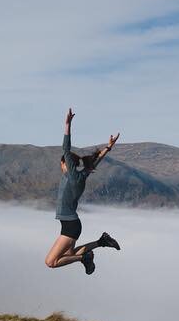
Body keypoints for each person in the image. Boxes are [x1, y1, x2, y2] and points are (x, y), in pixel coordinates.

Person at [44, 107, 122, 274]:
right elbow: (95, 162)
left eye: (62, 163)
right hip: (71, 223)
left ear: (65, 164)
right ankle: (102, 242)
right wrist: (108, 148)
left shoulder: (72, 175)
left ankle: (84, 258)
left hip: (71, 225)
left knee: (51, 262)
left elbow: (66, 148)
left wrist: (67, 124)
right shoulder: (82, 175)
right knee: (69, 254)